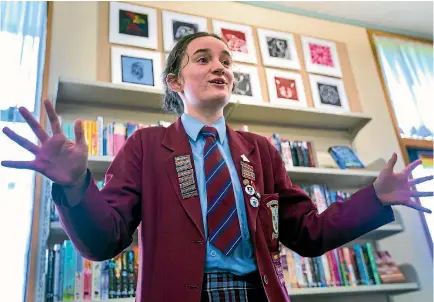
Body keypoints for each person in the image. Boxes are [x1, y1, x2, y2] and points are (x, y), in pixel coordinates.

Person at [1, 32, 433, 302]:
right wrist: (77, 186)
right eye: (204, 58)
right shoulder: (147, 145)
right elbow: (104, 240)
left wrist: (374, 198)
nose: (220, 67)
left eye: (226, 61)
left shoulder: (261, 150)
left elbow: (308, 233)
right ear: (175, 81)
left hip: (258, 293)